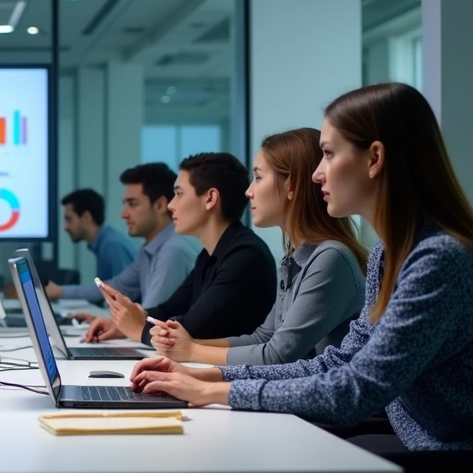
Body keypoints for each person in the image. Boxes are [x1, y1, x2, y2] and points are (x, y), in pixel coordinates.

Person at [131, 83, 473, 454]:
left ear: (375, 159)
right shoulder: (388, 253)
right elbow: (341, 360)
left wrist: (212, 390)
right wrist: (207, 375)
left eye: (328, 155)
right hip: (419, 440)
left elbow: (356, 389)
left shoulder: (439, 261)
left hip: (471, 460)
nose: (317, 174)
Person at [149, 129, 365, 365]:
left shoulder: (330, 258)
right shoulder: (296, 258)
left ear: (291, 185)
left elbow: (279, 354)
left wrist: (191, 352)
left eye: (259, 178)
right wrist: (188, 344)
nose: (249, 191)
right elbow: (264, 336)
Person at [84, 153, 276, 344]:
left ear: (210, 198)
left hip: (236, 374)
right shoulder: (209, 255)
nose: (170, 205)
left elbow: (189, 329)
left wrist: (137, 329)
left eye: (179, 194)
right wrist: (126, 322)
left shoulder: (245, 256)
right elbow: (168, 310)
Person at [69, 164, 198, 312]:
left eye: (133, 204)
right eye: (125, 204)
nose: (124, 214)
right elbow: (115, 286)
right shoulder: (147, 248)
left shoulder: (174, 250)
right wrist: (59, 291)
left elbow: (149, 317)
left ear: (161, 205)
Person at [44, 188, 136, 301]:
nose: (65, 227)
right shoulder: (105, 243)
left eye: (69, 219)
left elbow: (121, 294)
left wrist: (60, 292)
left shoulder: (112, 246)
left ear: (86, 217)